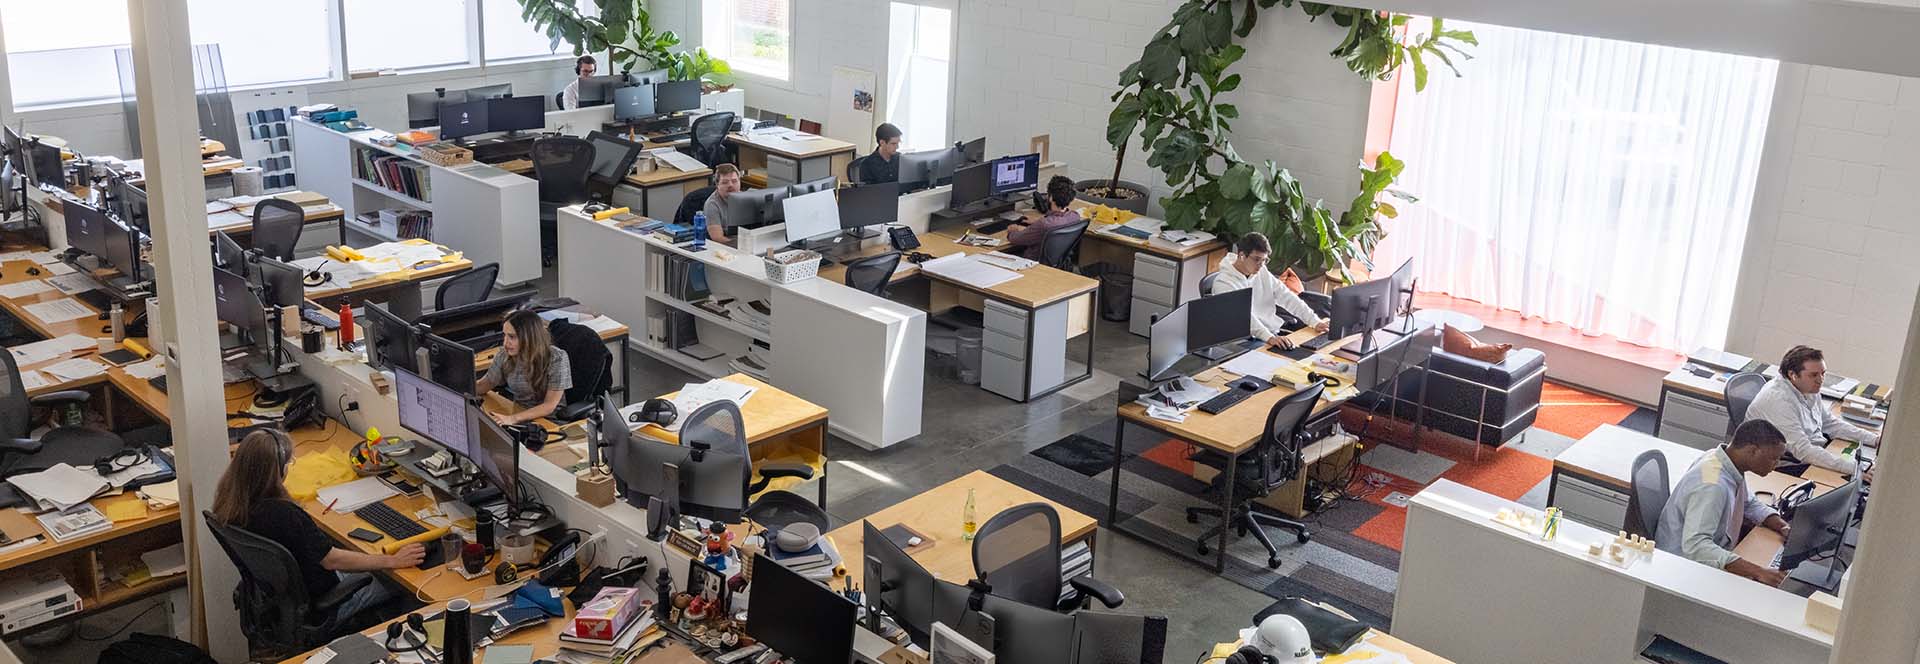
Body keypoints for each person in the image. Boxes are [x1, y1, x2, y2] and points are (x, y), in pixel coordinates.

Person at [212, 430, 425, 626]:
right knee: (405, 584)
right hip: (324, 605)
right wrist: (392, 560)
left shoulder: (231, 500)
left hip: (281, 602)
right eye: (288, 462)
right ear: (279, 471)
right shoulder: (286, 515)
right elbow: (332, 560)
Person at [1655, 420, 1792, 586]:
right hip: (1683, 569)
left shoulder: (1724, 461)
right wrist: (1758, 572)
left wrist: (1781, 526)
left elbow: (1748, 502)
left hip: (1708, 555)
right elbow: (1696, 547)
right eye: (1774, 459)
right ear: (1752, 451)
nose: (1776, 465)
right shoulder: (1712, 486)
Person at [1744, 345, 1877, 477]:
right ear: (1793, 375)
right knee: (1842, 483)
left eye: (1823, 373)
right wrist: (1854, 469)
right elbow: (1803, 451)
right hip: (1784, 463)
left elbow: (1830, 423)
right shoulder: (1779, 400)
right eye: (1813, 375)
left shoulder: (1808, 388)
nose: (1820, 380)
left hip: (1811, 451)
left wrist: (1875, 440)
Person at [1209, 232, 1329, 350]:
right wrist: (1270, 338)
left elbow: (1287, 297)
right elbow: (1244, 318)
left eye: (1264, 260)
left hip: (1270, 334)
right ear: (1241, 256)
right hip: (1244, 341)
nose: (1261, 265)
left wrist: (1315, 322)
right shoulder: (1223, 283)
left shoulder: (1262, 271)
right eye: (1257, 259)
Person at [476, 310, 572, 425]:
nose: (506, 342)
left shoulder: (556, 358)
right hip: (518, 414)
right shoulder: (504, 355)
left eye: (512, 337)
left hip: (549, 422)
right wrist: (456, 387)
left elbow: (549, 406)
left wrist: (512, 419)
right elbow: (483, 385)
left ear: (529, 337)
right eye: (504, 335)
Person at [1005, 175, 1082, 262]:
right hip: (1056, 264)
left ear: (1051, 197)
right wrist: (1037, 222)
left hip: (1032, 264)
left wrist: (1013, 230)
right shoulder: (1075, 216)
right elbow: (1052, 224)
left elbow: (1015, 239)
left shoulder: (1044, 225)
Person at [701, 164, 743, 245]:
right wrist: (741, 246)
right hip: (728, 247)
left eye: (734, 181)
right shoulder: (712, 205)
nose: (730, 185)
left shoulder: (747, 199)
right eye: (725, 182)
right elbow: (718, 238)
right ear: (717, 185)